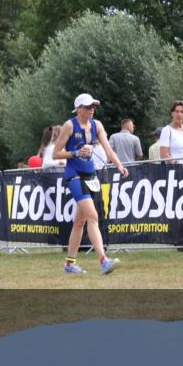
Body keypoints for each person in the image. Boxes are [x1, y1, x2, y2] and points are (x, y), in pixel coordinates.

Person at [53, 94, 128, 276]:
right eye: (87, 106)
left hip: (90, 175)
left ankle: (70, 264)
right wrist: (76, 152)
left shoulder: (97, 125)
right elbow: (56, 153)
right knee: (93, 216)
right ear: (78, 109)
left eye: (93, 106)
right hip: (74, 175)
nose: (91, 109)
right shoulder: (69, 125)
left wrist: (119, 165)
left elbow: (108, 149)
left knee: (80, 221)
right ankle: (103, 261)